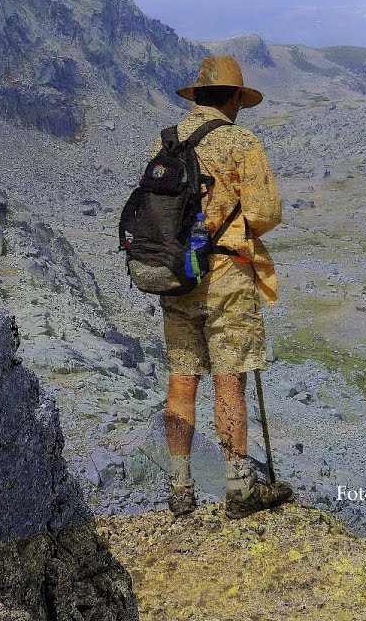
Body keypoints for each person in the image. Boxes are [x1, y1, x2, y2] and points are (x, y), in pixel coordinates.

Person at [153, 56, 293, 520]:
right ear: (233, 98)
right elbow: (266, 212)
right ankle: (239, 486)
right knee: (228, 378)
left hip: (175, 275)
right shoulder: (239, 140)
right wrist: (229, 229)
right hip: (226, 277)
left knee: (182, 377)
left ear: (196, 97)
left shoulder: (167, 141)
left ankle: (180, 489)